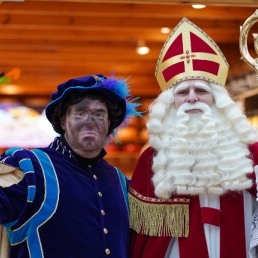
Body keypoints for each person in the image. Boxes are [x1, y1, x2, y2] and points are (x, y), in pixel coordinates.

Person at [129, 18, 258, 258]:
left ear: (217, 100)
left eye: (201, 91)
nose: (192, 98)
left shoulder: (248, 150)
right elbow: (142, 235)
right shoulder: (152, 157)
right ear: (171, 102)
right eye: (182, 92)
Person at [0, 74, 141, 258]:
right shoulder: (30, 169)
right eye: (80, 113)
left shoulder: (120, 180)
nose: (90, 120)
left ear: (109, 124)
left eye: (99, 114)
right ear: (63, 121)